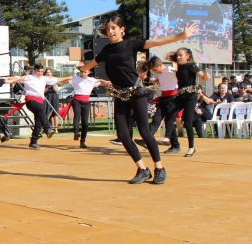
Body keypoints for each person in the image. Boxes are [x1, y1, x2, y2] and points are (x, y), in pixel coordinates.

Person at [80, 16, 200, 184]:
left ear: (122, 29)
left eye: (114, 28)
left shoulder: (131, 44)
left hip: (136, 93)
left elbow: (158, 42)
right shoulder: (107, 49)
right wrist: (83, 68)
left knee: (144, 131)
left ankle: (159, 168)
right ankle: (143, 169)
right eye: (108, 29)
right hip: (120, 94)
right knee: (122, 134)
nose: (110, 31)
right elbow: (93, 63)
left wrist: (182, 35)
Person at [164, 48, 209, 157]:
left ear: (187, 56)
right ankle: (168, 138)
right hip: (180, 96)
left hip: (190, 96)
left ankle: (191, 148)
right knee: (169, 114)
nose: (178, 57)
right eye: (177, 55)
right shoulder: (178, 67)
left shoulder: (191, 65)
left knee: (187, 122)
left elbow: (202, 76)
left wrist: (206, 76)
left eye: (181, 55)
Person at [66, 68, 109, 149]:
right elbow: (67, 81)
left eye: (85, 72)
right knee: (77, 116)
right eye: (82, 72)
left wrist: (107, 82)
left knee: (85, 122)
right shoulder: (76, 78)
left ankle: (82, 141)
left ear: (88, 72)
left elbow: (101, 83)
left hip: (86, 101)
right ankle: (76, 132)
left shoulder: (92, 80)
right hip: (77, 100)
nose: (83, 73)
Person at [146, 56, 181, 153]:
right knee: (156, 118)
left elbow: (180, 73)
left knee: (169, 120)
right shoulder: (160, 73)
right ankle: (148, 137)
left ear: (160, 65)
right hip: (163, 98)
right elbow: (162, 81)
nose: (155, 71)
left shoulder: (170, 70)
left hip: (173, 98)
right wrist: (154, 81)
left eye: (155, 69)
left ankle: (172, 143)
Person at [43, 68, 61, 133]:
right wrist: (47, 87)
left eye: (49, 72)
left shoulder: (54, 79)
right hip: (47, 97)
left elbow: (56, 90)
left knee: (55, 113)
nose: (48, 73)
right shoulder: (43, 80)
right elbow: (43, 91)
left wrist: (53, 85)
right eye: (47, 72)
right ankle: (46, 128)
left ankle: (56, 129)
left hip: (54, 97)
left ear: (52, 73)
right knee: (46, 112)